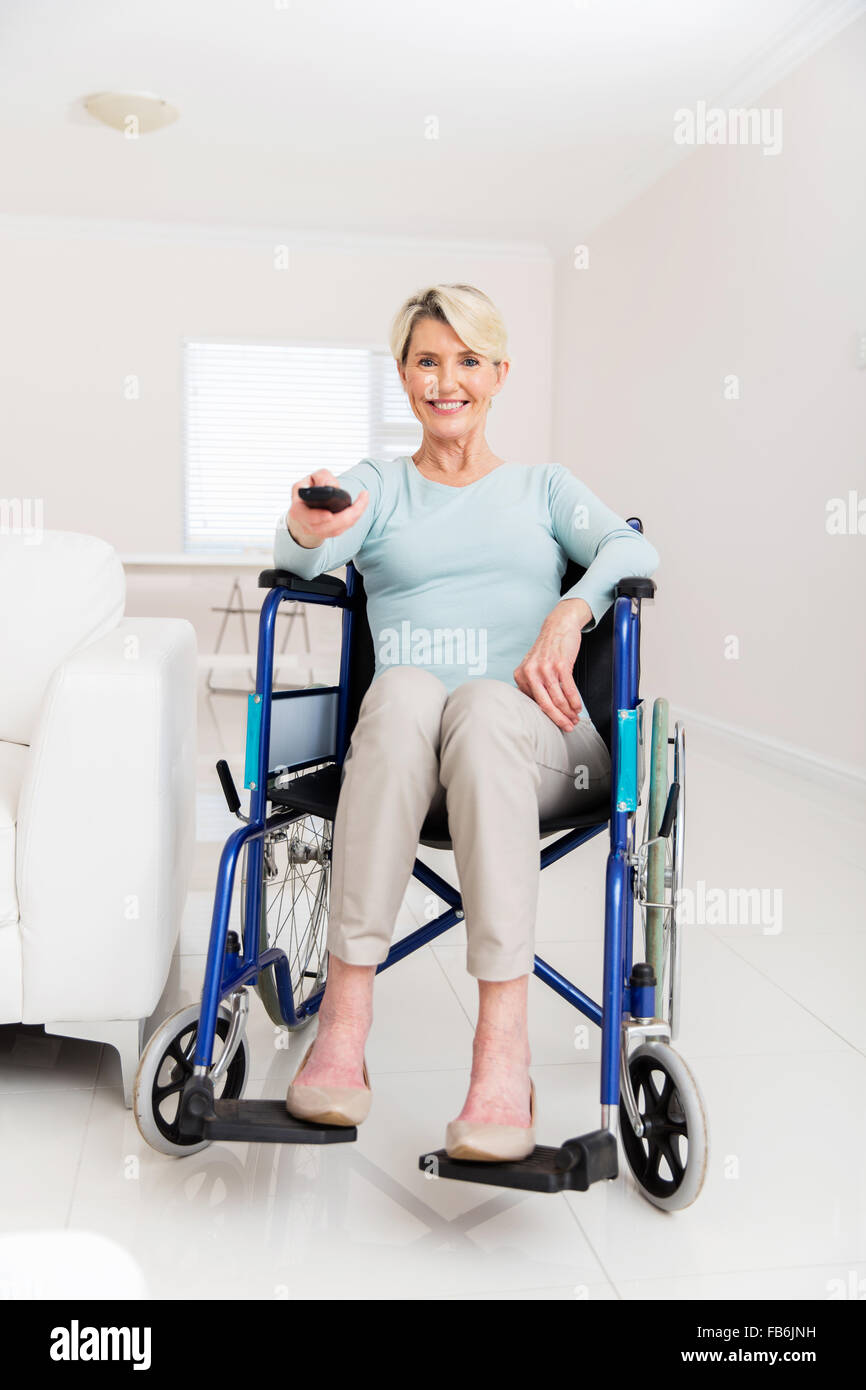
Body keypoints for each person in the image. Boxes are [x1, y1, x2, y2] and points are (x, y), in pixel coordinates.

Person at [274, 283, 659, 1160]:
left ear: (499, 375)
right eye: (427, 360)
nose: (447, 380)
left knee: (485, 705)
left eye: (468, 361)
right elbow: (303, 551)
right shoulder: (378, 486)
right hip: (407, 758)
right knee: (407, 687)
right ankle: (344, 1025)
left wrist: (572, 609)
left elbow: (634, 547)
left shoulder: (541, 488)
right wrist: (302, 528)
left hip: (538, 749)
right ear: (405, 376)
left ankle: (501, 1050)